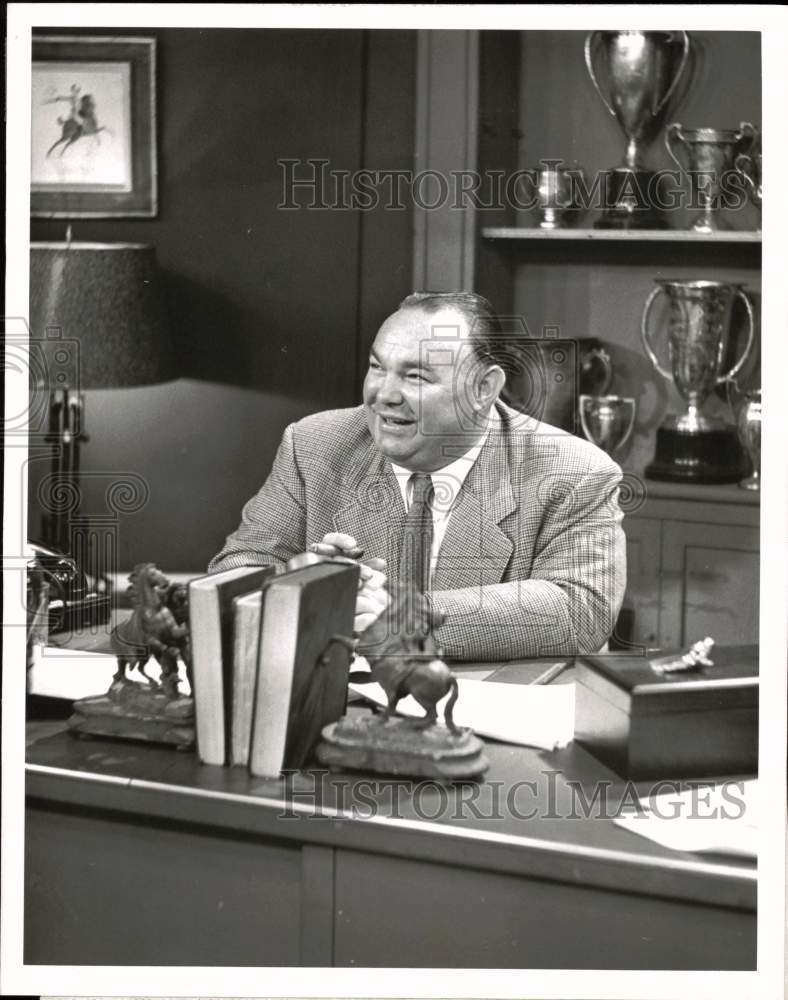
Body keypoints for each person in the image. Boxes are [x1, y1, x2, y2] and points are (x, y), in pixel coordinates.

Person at [209, 291, 626, 661]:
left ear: (484, 389)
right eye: (378, 367)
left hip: (487, 709)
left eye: (415, 376)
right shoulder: (315, 444)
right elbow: (236, 568)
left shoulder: (573, 470)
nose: (383, 395)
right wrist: (299, 579)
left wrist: (402, 618)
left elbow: (581, 609)